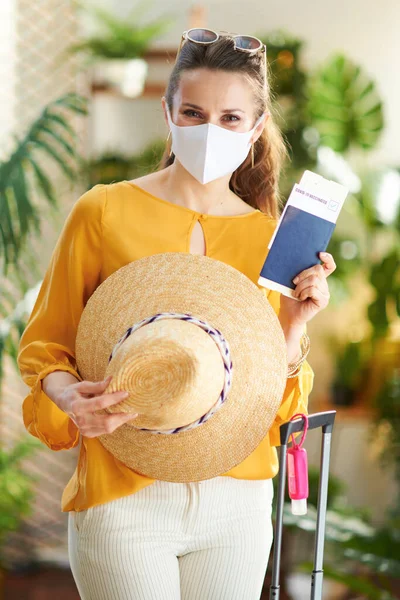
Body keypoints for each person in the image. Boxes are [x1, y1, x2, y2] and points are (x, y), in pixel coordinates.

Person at [17, 29, 335, 600]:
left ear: (256, 128)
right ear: (168, 113)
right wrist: (69, 399)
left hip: (235, 505)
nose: (211, 130)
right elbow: (46, 348)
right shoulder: (104, 211)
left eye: (231, 118)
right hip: (124, 496)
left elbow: (268, 396)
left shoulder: (271, 239)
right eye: (194, 112)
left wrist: (295, 325)